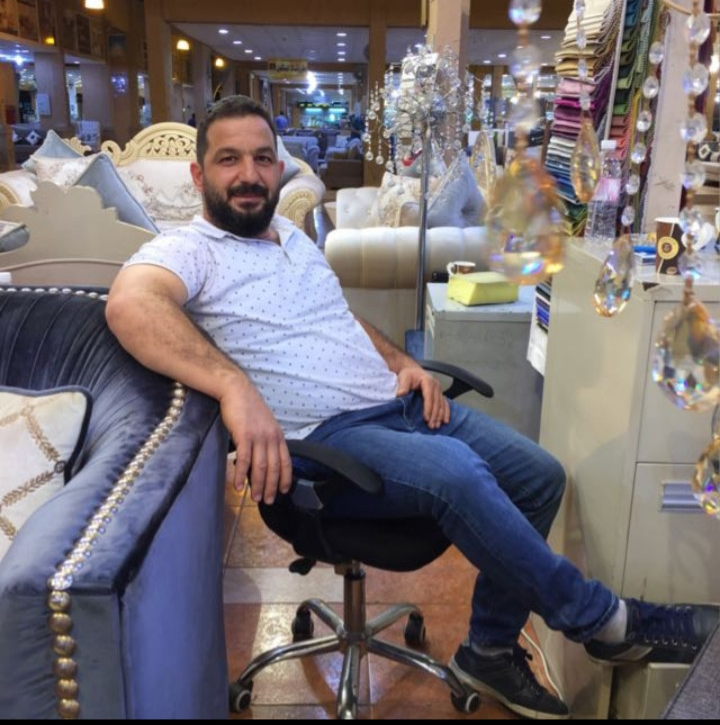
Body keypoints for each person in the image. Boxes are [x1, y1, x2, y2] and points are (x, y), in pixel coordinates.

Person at [106, 96, 719, 720]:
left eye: (263, 158)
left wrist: (403, 363)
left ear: (278, 167)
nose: (249, 174)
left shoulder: (292, 234)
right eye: (229, 159)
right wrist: (233, 386)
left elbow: (339, 320)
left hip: (393, 406)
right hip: (323, 445)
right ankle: (605, 620)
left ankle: (489, 650)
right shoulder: (190, 249)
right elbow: (130, 305)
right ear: (199, 174)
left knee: (540, 475)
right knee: (458, 473)